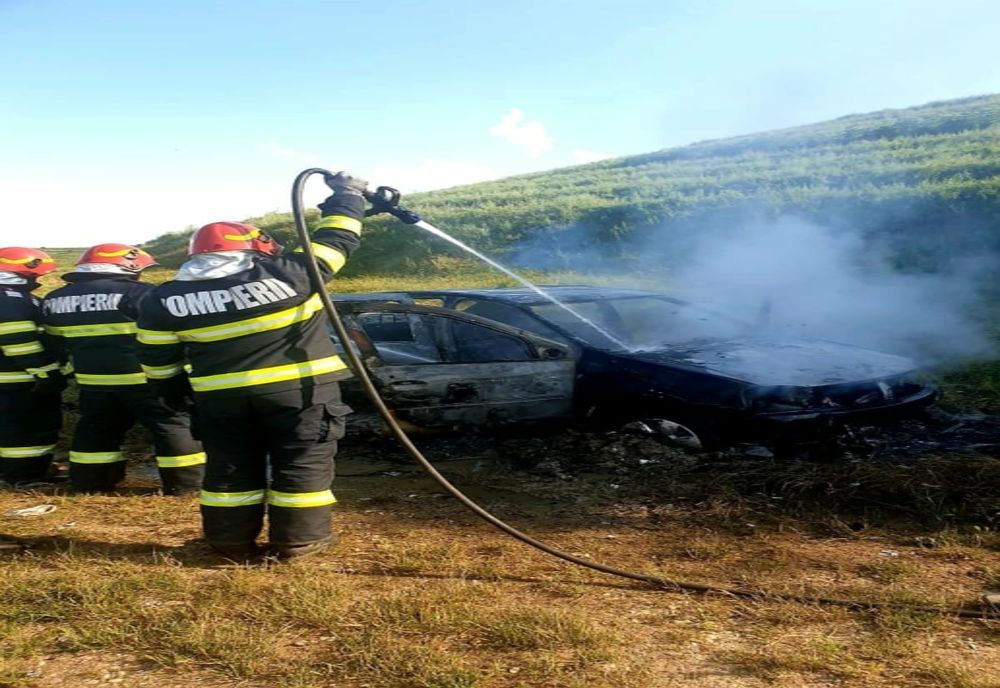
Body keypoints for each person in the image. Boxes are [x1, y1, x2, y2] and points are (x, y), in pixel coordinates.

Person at [136, 172, 363, 560]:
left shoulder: (162, 300)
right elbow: (337, 238)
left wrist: (176, 398)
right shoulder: (289, 274)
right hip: (301, 394)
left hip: (219, 401)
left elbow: (157, 361)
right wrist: (349, 195)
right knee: (302, 464)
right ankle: (299, 542)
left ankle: (229, 542)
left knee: (229, 468)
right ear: (256, 248)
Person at [42, 244, 205, 494]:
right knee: (172, 425)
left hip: (93, 381)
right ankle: (186, 485)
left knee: (95, 429)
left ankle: (90, 483)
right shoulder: (142, 293)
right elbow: (167, 332)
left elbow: (56, 341)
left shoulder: (55, 299)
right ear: (129, 267)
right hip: (145, 378)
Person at [0, 247, 64, 485]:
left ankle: (11, 470)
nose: (38, 279)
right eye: (36, 274)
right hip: (15, 380)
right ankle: (25, 474)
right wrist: (46, 373)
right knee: (25, 429)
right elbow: (18, 341)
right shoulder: (11, 300)